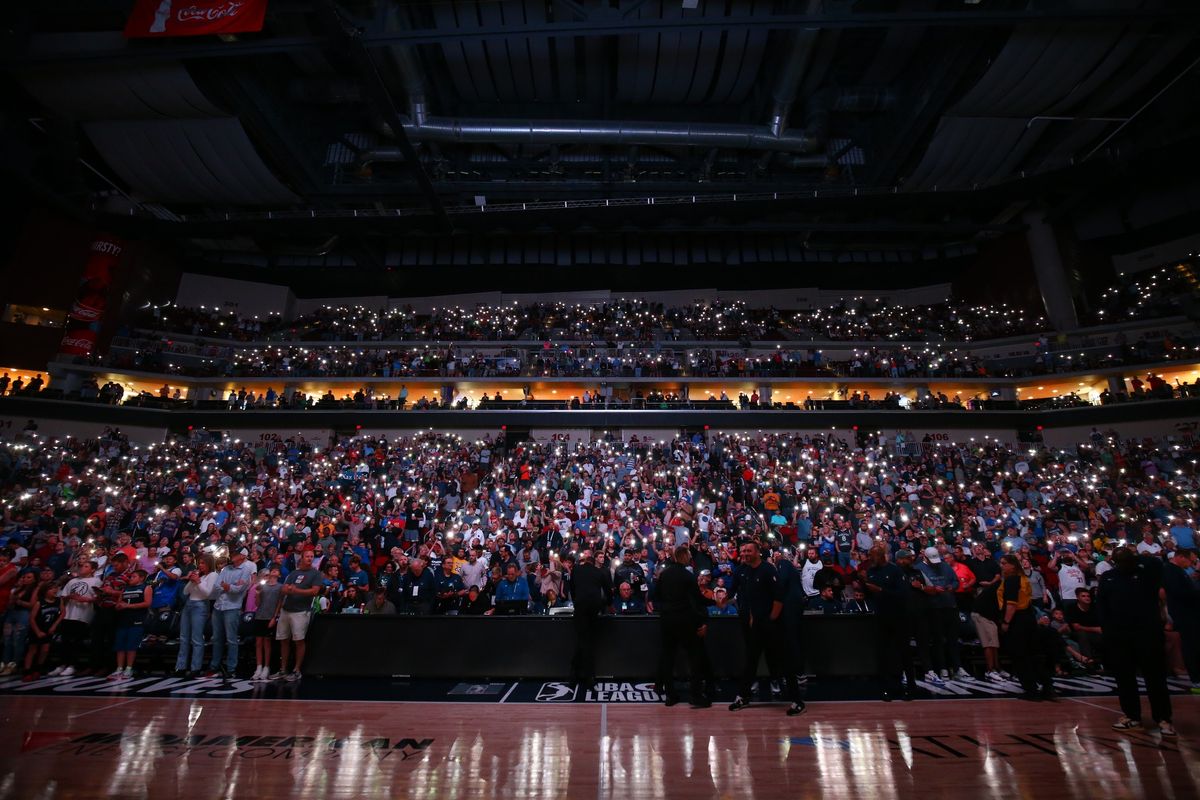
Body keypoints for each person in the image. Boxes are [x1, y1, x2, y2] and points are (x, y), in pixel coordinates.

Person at [1099, 548, 1174, 735]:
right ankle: (1132, 716)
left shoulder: (1146, 573)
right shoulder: (1108, 577)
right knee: (1124, 678)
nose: (1124, 564)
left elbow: (1157, 563)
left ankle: (1163, 718)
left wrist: (1135, 556)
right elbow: (1102, 605)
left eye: (1127, 560)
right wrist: (1108, 631)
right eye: (1120, 561)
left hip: (1147, 633)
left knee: (1155, 677)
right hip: (1119, 635)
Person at [728, 542, 804, 716]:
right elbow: (739, 596)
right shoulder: (743, 571)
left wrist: (771, 619)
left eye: (748, 550)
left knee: (784, 663)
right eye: (743, 551)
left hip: (772, 625)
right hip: (755, 626)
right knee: (750, 662)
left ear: (757, 553)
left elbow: (779, 598)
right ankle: (743, 697)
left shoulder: (768, 570)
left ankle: (797, 701)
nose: (745, 553)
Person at [653, 545, 713, 707]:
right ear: (685, 557)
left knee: (668, 657)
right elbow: (697, 601)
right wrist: (710, 607)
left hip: (667, 620)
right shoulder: (688, 576)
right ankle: (696, 695)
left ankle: (670, 696)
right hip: (685, 620)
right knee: (694, 657)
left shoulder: (664, 575)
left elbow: (655, 596)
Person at [997, 554, 1053, 701]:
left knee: (1021, 656)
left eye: (1004, 563)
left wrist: (1006, 622)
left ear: (1013, 565)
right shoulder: (1023, 579)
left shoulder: (1011, 580)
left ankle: (1031, 690)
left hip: (1017, 620)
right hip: (1028, 618)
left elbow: (1011, 604)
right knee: (1035, 654)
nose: (1001, 566)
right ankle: (1047, 687)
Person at [864, 546, 915, 701]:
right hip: (881, 617)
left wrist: (880, 590)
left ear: (880, 556)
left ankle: (910, 687)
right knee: (883, 653)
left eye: (872, 556)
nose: (870, 560)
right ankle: (887, 688)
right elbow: (869, 594)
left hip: (899, 616)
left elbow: (903, 593)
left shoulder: (895, 571)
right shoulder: (871, 572)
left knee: (904, 652)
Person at [272, 547, 322, 681]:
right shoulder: (293, 573)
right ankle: (283, 669)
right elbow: (283, 588)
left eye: (312, 556)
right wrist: (288, 590)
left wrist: (295, 590)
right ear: (302, 558)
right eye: (307, 556)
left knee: (299, 640)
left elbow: (314, 591)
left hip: (301, 611)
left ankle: (297, 670)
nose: (310, 558)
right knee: (284, 640)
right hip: (286, 609)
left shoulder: (315, 574)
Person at [916, 546, 964, 681]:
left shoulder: (945, 566)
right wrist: (931, 589)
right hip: (933, 608)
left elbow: (955, 581)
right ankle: (942, 667)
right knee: (938, 639)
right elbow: (918, 587)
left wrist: (951, 587)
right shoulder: (919, 568)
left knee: (953, 639)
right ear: (925, 557)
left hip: (949, 605)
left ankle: (957, 667)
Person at [210, 548, 256, 678]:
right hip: (218, 606)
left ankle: (231, 668)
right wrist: (230, 586)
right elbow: (217, 585)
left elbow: (240, 589)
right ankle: (215, 666)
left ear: (241, 556)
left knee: (231, 639)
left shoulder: (246, 571)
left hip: (232, 607)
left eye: (235, 554)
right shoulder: (226, 569)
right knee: (217, 638)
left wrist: (228, 586)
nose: (232, 556)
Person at [568, 550, 612, 689]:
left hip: (580, 608)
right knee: (588, 642)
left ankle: (574, 674)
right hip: (593, 609)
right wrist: (606, 604)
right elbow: (608, 592)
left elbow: (572, 589)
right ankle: (588, 677)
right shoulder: (599, 572)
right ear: (594, 563)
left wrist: (577, 602)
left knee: (582, 641)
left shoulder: (576, 570)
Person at [52, 560, 100, 677]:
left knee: (75, 641)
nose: (82, 568)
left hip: (82, 615)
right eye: (81, 566)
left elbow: (98, 598)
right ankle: (62, 664)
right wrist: (69, 598)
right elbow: (63, 597)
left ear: (92, 569)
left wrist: (85, 599)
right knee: (65, 641)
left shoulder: (96, 581)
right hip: (68, 614)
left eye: (86, 566)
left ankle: (72, 665)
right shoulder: (72, 581)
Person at [1162, 548, 1200, 693]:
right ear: (1181, 557)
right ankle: (1196, 679)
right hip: (1185, 615)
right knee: (1192, 646)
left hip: (1190, 614)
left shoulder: (1179, 572)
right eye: (1190, 560)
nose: (1191, 564)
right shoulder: (1171, 571)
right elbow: (1180, 593)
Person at [174, 553, 218, 678]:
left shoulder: (213, 575)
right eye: (199, 563)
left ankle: (195, 667)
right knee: (183, 637)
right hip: (188, 605)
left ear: (209, 563)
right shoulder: (199, 575)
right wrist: (191, 580)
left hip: (200, 606)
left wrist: (198, 581)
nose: (200, 565)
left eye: (203, 563)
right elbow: (185, 591)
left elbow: (207, 594)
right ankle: (180, 666)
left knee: (196, 638)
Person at [110, 569, 152, 680]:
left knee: (131, 645)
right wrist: (119, 606)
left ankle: (129, 668)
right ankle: (119, 668)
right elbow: (118, 603)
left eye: (134, 576)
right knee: (120, 645)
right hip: (123, 619)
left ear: (141, 578)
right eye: (131, 577)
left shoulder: (146, 588)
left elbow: (147, 603)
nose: (131, 578)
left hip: (137, 619)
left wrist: (128, 606)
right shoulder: (125, 589)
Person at [23, 583, 61, 680]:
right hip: (37, 628)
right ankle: (27, 671)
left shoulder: (58, 601)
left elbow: (63, 613)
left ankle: (38, 669)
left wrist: (54, 626)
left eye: (55, 588)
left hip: (48, 629)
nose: (55, 590)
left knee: (45, 650)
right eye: (52, 588)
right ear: (45, 591)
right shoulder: (39, 602)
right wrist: (37, 632)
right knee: (33, 650)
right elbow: (31, 618)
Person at [251, 567, 282, 681]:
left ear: (279, 574)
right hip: (260, 616)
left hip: (270, 617)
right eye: (272, 570)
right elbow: (257, 603)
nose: (273, 571)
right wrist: (258, 593)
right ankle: (258, 667)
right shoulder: (263, 586)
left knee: (267, 643)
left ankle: (266, 667)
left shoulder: (280, 587)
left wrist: (274, 617)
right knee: (258, 642)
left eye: (276, 570)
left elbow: (279, 603)